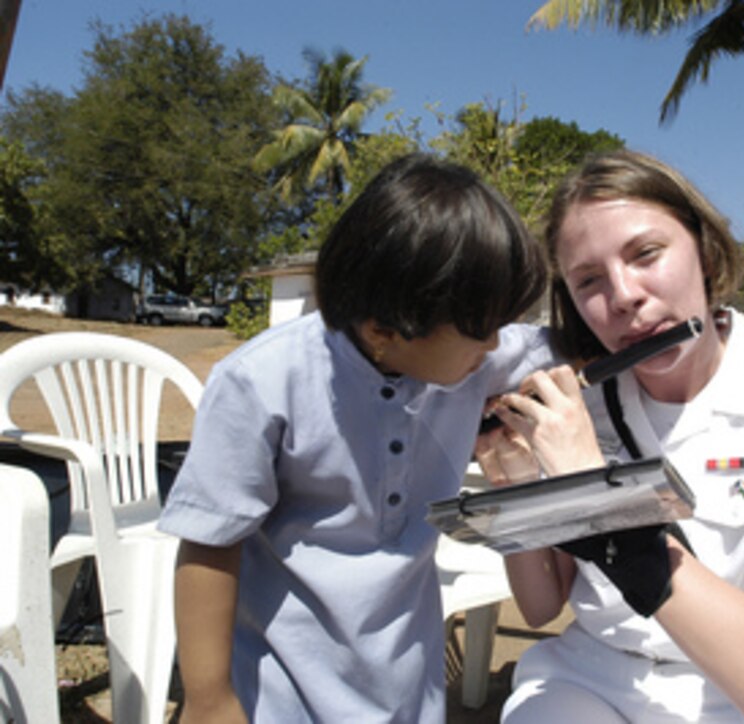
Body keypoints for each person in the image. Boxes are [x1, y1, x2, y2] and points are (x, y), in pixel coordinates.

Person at [156, 153, 555, 723]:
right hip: (280, 687)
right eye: (479, 330)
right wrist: (208, 698)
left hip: (408, 683)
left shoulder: (467, 362)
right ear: (384, 330)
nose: (496, 346)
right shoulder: (263, 382)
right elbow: (209, 540)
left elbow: (573, 344)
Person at [476, 150, 744, 723]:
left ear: (705, 251)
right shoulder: (581, 410)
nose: (624, 296)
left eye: (646, 255)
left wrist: (598, 489)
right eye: (589, 280)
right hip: (588, 676)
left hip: (727, 688)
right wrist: (516, 487)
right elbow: (540, 605)